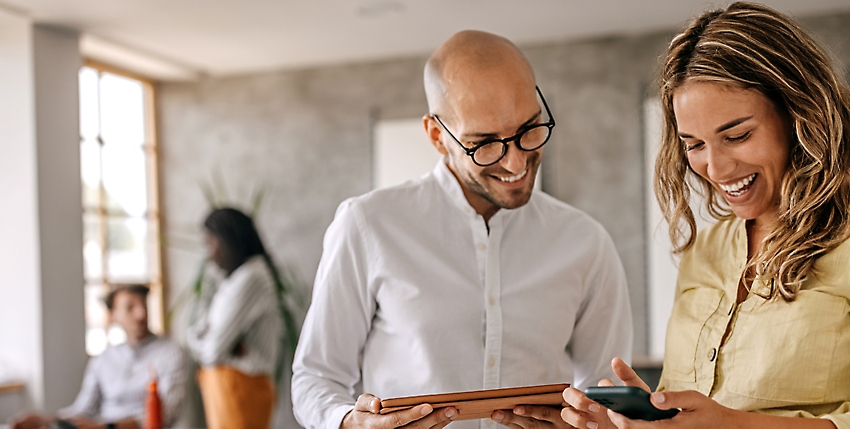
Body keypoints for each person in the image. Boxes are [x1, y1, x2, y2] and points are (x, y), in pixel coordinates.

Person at [560, 2, 850, 429]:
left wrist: (733, 425)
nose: (716, 169)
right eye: (694, 144)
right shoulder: (707, 249)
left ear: (800, 114)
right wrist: (642, 421)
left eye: (737, 135)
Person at [291, 30, 634, 429]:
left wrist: (596, 423)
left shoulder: (585, 242)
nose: (515, 162)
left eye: (529, 129)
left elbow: (605, 392)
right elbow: (316, 378)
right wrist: (351, 422)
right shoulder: (368, 225)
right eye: (484, 143)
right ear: (437, 136)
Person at [10, 285, 187, 429]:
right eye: (130, 308)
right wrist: (47, 420)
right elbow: (83, 410)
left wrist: (105, 427)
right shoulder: (103, 359)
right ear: (113, 316)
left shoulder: (171, 353)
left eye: (144, 305)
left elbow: (165, 415)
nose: (141, 314)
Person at [188, 207, 288, 429]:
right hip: (228, 389)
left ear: (228, 240)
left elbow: (212, 351)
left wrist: (209, 341)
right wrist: (213, 342)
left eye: (211, 243)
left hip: (242, 389)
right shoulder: (233, 280)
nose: (209, 253)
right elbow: (199, 333)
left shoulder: (252, 276)